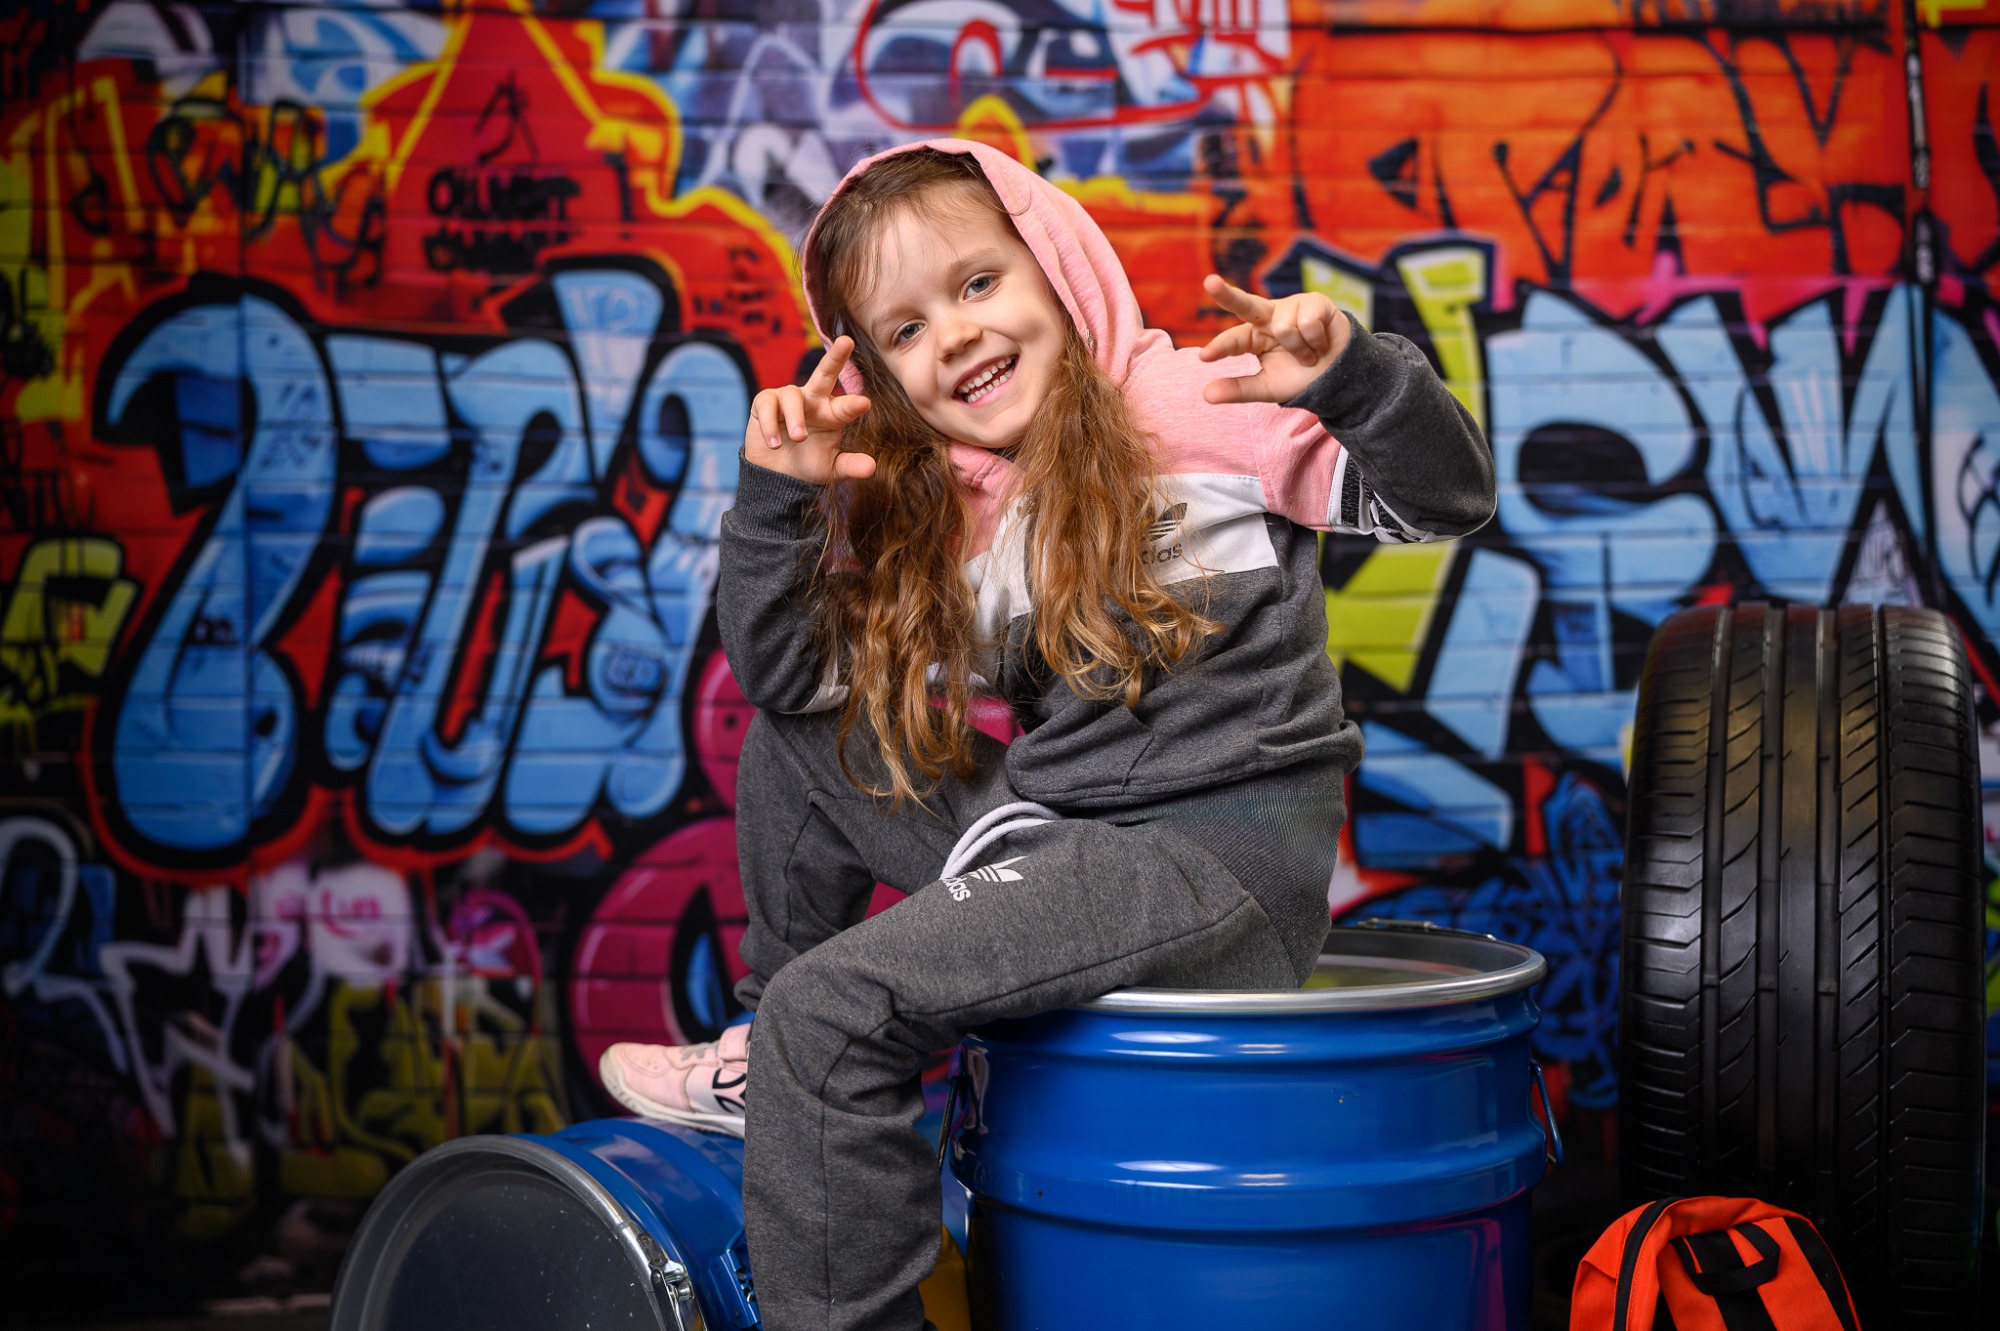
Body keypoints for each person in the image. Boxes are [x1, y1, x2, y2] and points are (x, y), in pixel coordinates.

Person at [598, 138, 1494, 1331]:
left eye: (977, 282)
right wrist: (780, 499)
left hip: (1209, 864)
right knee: (808, 738)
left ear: (1057, 267)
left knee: (837, 1010)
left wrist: (1353, 379)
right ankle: (767, 1053)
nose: (954, 334)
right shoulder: (945, 506)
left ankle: (800, 1059)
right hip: (1058, 838)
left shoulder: (1187, 405)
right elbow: (783, 678)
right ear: (877, 370)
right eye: (905, 329)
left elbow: (1445, 499)